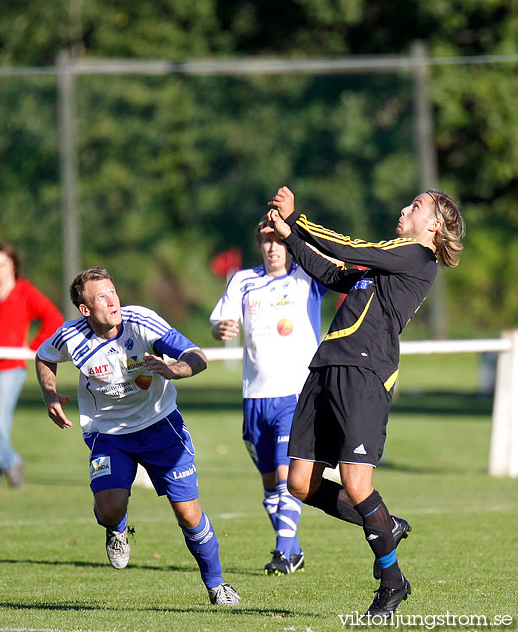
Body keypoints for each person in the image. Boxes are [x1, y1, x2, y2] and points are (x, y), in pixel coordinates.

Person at [268, 186, 464, 620]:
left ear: (434, 226)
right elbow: (335, 273)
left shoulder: (415, 256)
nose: (403, 209)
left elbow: (351, 247)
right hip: (327, 367)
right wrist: (289, 238)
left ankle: (393, 583)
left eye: (415, 206)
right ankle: (386, 525)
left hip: (364, 374)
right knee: (300, 484)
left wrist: (297, 218)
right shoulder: (389, 263)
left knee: (358, 486)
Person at [35, 267, 240, 607]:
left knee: (189, 515)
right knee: (110, 510)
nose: (112, 300)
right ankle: (117, 530)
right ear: (85, 310)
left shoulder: (141, 322)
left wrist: (177, 369)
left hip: (160, 426)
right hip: (108, 434)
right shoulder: (71, 337)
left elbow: (197, 356)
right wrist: (49, 395)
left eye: (112, 291)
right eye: (102, 297)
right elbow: (44, 356)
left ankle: (216, 585)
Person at [210, 217, 348, 575]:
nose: (272, 247)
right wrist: (220, 327)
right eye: (266, 240)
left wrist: (296, 227)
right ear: (259, 245)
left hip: (297, 394)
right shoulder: (243, 281)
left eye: (278, 241)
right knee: (271, 482)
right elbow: (218, 322)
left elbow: (336, 265)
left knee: (287, 476)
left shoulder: (306, 277)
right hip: (255, 397)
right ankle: (294, 550)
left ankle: (283, 553)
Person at [0, 244, 63, 488]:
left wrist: (34, 346)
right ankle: (11, 461)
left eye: (2, 263)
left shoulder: (25, 291)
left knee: (1, 419)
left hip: (11, 365)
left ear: (14, 266)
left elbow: (53, 317)